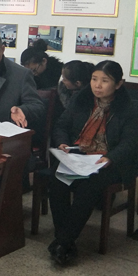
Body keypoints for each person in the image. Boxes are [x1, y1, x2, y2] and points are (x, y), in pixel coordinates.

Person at [48, 61, 138, 265]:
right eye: (94, 79)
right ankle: (65, 242)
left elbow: (131, 142)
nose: (97, 85)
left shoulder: (130, 108)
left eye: (105, 81)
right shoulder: (81, 99)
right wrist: (62, 143)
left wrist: (110, 157)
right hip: (80, 155)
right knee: (57, 179)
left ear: (118, 84)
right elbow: (61, 125)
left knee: (89, 186)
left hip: (112, 162)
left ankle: (63, 241)